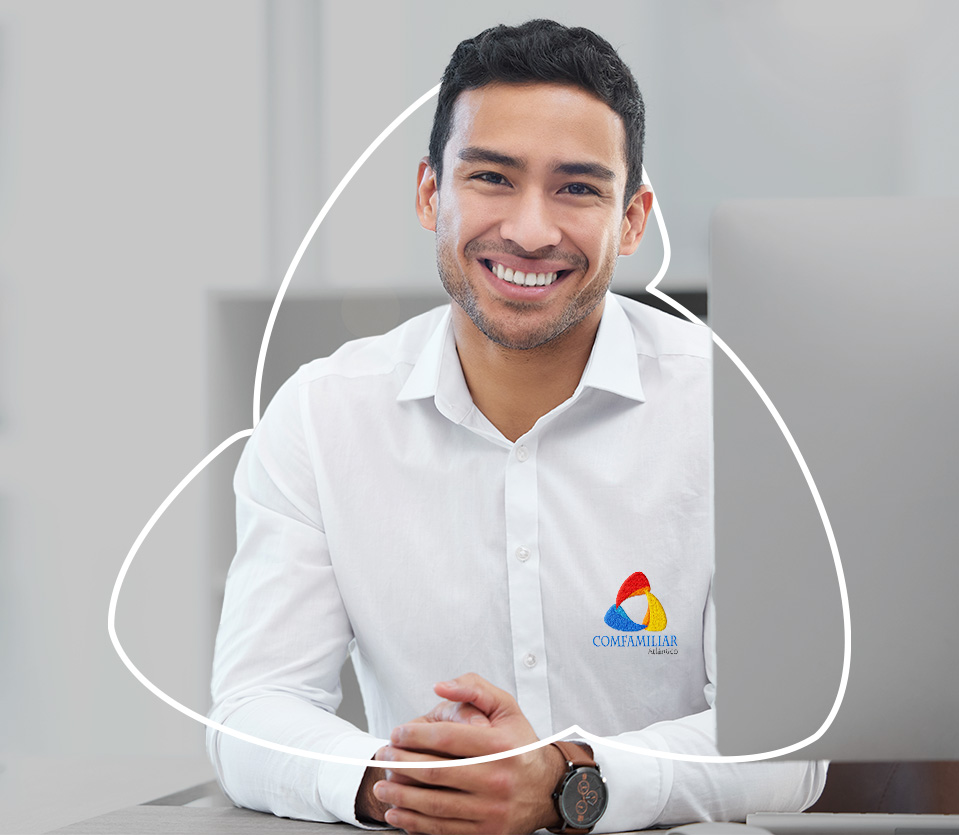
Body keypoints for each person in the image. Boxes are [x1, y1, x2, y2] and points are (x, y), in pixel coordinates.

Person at [207, 19, 825, 834]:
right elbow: (256, 705)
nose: (530, 230)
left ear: (632, 219)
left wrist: (570, 782)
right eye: (493, 177)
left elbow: (789, 749)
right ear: (432, 192)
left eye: (576, 187)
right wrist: (390, 780)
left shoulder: (739, 408)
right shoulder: (322, 416)